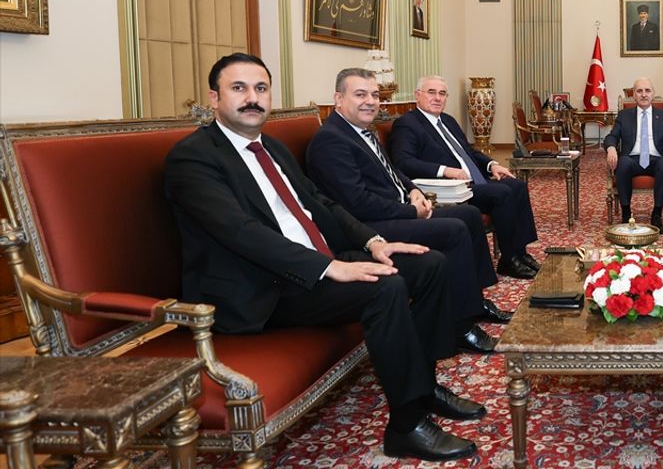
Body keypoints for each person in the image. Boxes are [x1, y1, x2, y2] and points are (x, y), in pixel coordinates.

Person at [164, 53, 482, 462]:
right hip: (261, 287)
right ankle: (407, 425)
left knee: (429, 265)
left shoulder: (270, 147)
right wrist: (330, 267)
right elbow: (240, 232)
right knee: (385, 288)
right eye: (238, 88)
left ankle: (425, 386)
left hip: (315, 261)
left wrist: (372, 243)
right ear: (215, 97)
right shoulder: (193, 157)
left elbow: (320, 202)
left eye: (261, 88)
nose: (252, 98)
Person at [306, 68, 512, 354]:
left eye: (375, 95)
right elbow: (357, 203)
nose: (370, 101)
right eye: (360, 94)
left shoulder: (360, 131)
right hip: (367, 226)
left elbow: (392, 171)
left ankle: (473, 302)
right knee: (453, 230)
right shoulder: (331, 140)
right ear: (338, 99)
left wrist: (414, 190)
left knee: (467, 215)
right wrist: (410, 211)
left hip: (393, 209)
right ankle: (460, 326)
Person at [389, 75, 541, 279]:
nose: (437, 98)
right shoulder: (407, 124)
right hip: (449, 188)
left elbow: (469, 151)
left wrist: (492, 164)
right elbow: (403, 162)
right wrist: (445, 170)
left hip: (473, 181)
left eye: (442, 94)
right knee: (502, 192)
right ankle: (509, 259)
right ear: (417, 95)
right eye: (431, 92)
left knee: (517, 185)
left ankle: (520, 253)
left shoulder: (448, 121)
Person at [604, 77, 663, 231]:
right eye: (639, 91)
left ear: (653, 94)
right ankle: (626, 213)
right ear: (634, 95)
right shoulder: (624, 115)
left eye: (647, 91)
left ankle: (657, 214)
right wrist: (611, 148)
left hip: (657, 160)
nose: (644, 94)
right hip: (632, 159)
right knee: (623, 162)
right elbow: (612, 136)